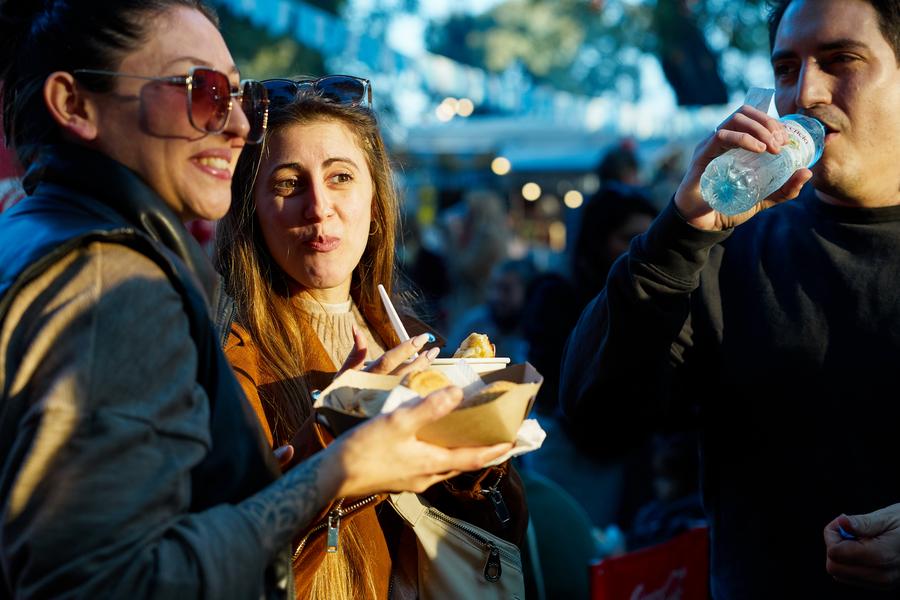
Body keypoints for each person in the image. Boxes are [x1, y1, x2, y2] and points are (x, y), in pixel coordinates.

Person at [0, 2, 509, 597]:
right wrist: (332, 469)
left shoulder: (45, 235)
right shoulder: (109, 279)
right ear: (75, 105)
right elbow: (95, 580)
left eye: (236, 96)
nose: (239, 126)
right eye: (202, 90)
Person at [560, 0, 900, 598]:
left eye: (841, 59)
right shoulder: (729, 249)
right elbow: (595, 421)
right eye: (787, 68)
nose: (805, 94)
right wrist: (679, 232)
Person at [216, 82, 528, 598]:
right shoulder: (234, 366)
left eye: (340, 177)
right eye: (289, 183)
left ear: (375, 202)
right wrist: (334, 432)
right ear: (253, 211)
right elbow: (233, 556)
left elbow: (499, 536)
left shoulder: (419, 343)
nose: (319, 207)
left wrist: (477, 462)